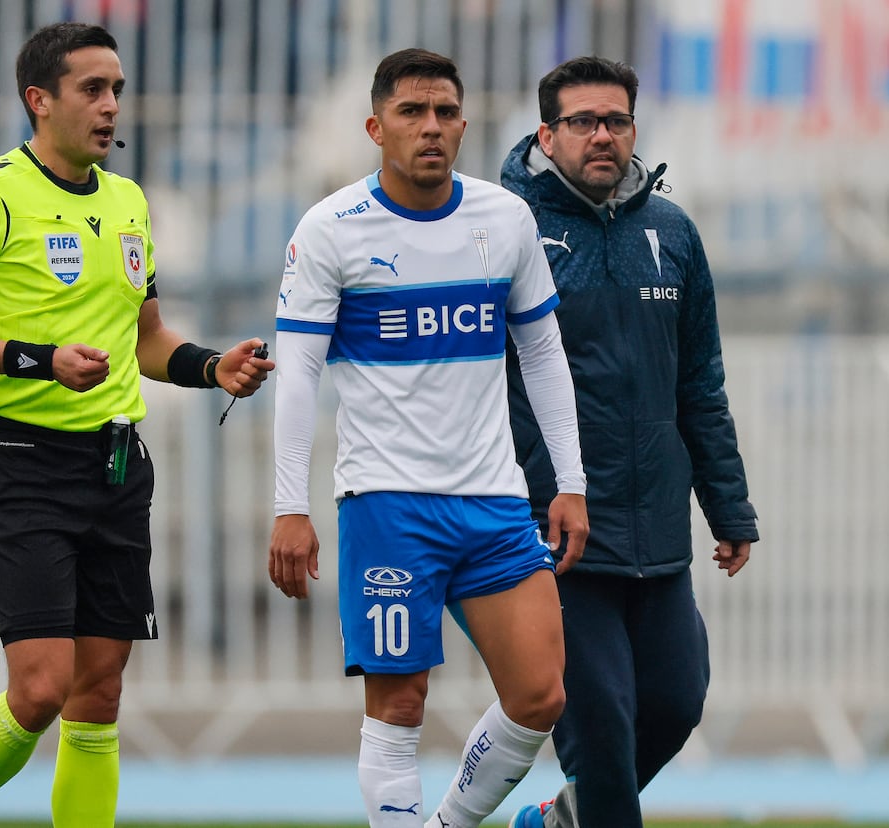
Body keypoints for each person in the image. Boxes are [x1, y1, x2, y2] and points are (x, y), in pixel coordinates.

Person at [0, 22, 272, 828]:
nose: (111, 107)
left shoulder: (128, 200)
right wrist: (38, 359)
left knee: (98, 694)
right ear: (39, 100)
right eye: (92, 90)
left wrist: (214, 366)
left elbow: (145, 340)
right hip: (21, 462)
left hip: (114, 467)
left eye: (118, 91)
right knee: (39, 688)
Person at [267, 48, 588, 828]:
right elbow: (299, 373)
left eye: (445, 111)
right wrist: (289, 504)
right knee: (400, 704)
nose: (431, 127)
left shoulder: (505, 219)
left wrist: (570, 482)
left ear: (464, 123)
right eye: (412, 112)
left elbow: (542, 353)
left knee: (541, 694)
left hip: (495, 501)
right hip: (388, 505)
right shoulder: (331, 230)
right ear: (377, 127)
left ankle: (447, 824)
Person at [500, 56, 760, 828]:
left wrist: (730, 507)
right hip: (558, 532)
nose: (602, 135)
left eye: (616, 120)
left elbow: (700, 383)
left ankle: (561, 819)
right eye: (582, 121)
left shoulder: (672, 233)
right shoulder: (506, 227)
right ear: (547, 135)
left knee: (677, 703)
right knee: (603, 728)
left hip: (657, 530)